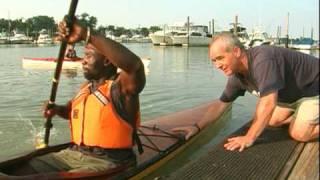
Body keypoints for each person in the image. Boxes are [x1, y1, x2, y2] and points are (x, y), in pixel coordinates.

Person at [22, 18, 146, 173]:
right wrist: (57, 110)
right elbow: (72, 111)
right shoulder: (86, 88)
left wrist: (87, 34)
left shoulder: (122, 89)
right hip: (74, 154)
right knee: (26, 167)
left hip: (109, 162)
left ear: (107, 60)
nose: (83, 61)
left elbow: (135, 67)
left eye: (88, 55)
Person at [174, 32, 319, 152]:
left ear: (236, 51)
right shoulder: (237, 76)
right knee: (273, 121)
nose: (217, 65)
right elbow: (221, 105)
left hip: (314, 89)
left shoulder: (262, 60)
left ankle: (304, 123)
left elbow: (268, 102)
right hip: (294, 96)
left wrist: (249, 138)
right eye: (214, 61)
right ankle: (302, 117)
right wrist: (197, 127)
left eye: (220, 58)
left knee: (299, 133)